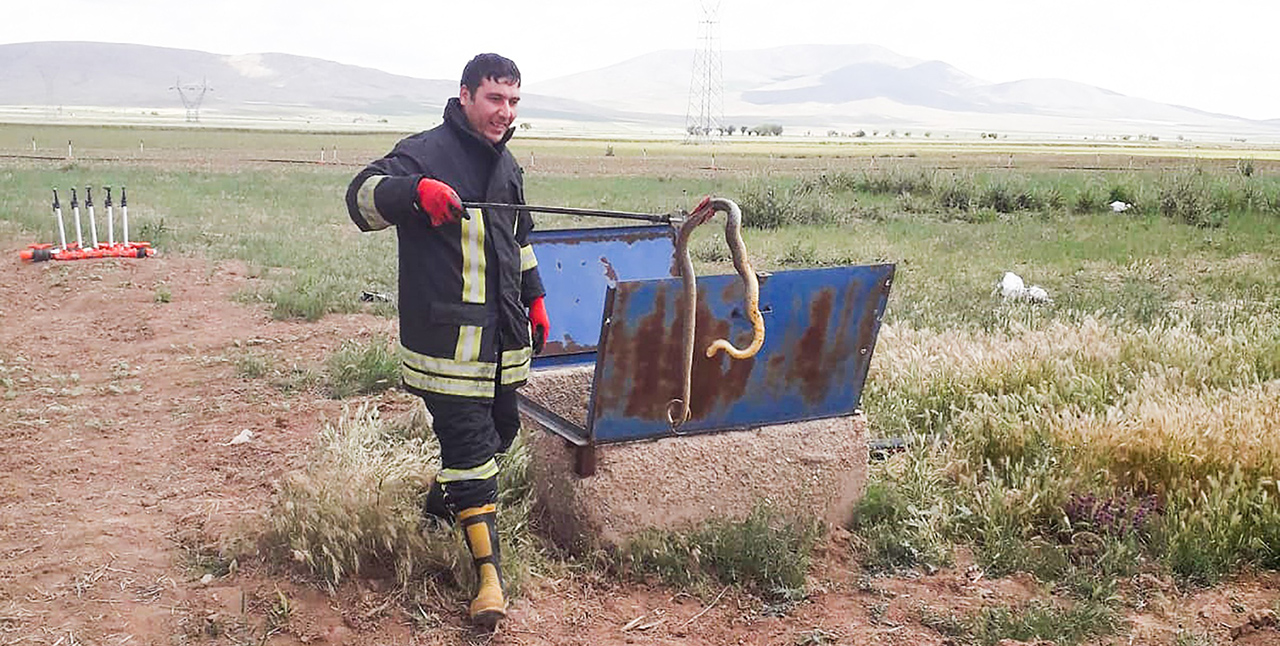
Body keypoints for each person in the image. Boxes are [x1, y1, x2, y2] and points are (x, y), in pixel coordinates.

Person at [344, 52, 548, 628]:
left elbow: (520, 239)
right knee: (469, 452)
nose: (503, 112)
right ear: (465, 96)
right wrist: (414, 193)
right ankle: (490, 580)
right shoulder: (425, 151)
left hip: (504, 339)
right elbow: (360, 197)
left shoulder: (507, 167)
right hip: (446, 344)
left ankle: (440, 505)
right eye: (493, 99)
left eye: (512, 102)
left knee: (501, 433)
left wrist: (534, 297)